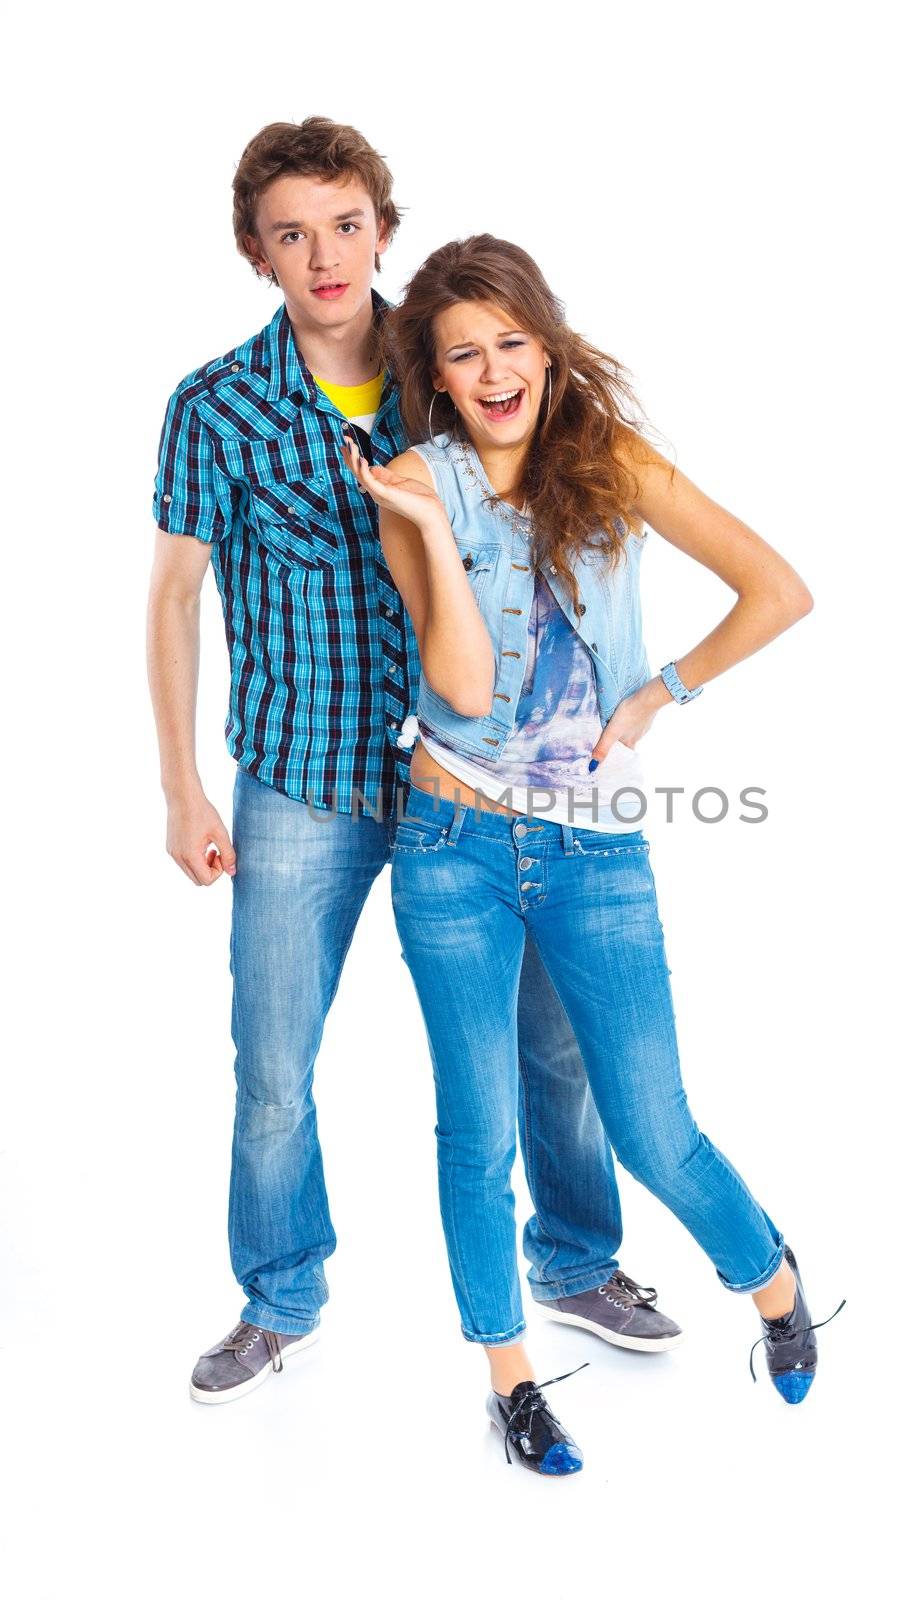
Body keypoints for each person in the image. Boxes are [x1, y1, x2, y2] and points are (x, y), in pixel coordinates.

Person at [146, 118, 681, 1410]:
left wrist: (647, 687)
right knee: (272, 1062)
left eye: (345, 224)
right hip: (302, 777)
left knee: (547, 1048)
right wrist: (179, 786)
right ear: (254, 252)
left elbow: (570, 512)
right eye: (291, 232)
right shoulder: (214, 408)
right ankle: (280, 1297)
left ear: (383, 229)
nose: (323, 255)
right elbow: (172, 598)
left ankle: (574, 1261)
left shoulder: (455, 361)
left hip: (486, 782)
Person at [346, 235, 843, 1475]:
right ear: (439, 377)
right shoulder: (416, 480)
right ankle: (509, 1380)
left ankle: (770, 1277)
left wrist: (658, 693)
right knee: (477, 1130)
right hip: (449, 842)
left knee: (650, 1121)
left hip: (588, 851)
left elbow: (776, 589)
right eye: (461, 354)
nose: (492, 369)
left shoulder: (606, 461)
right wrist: (423, 523)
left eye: (510, 340)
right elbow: (458, 684)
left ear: (546, 346)